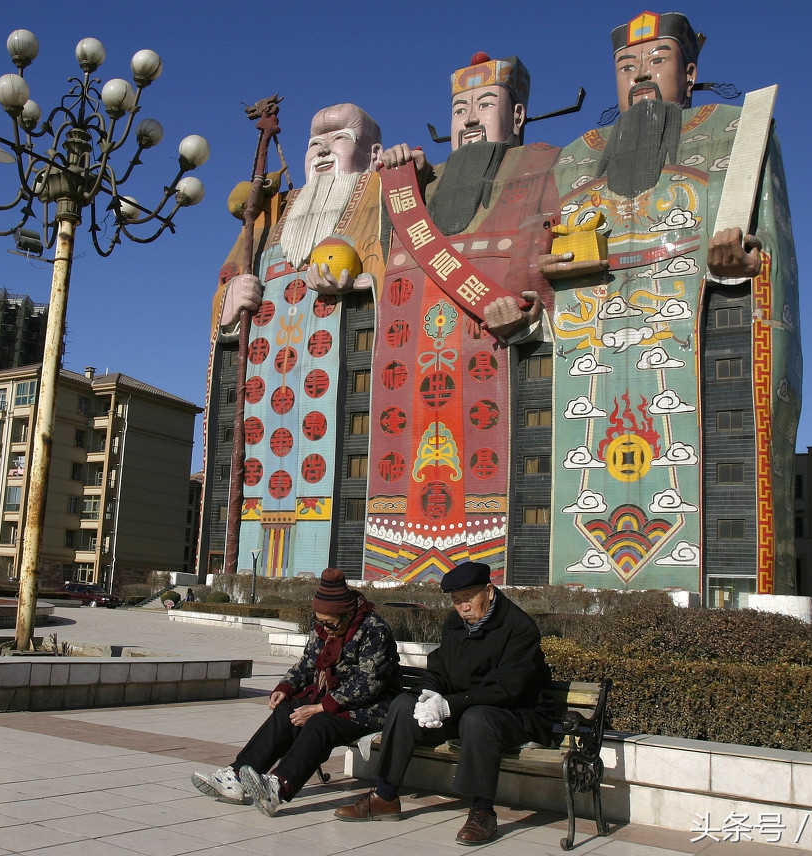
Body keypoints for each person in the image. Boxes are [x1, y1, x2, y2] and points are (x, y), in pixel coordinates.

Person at [545, 10, 799, 592]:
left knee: (707, 473)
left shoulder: (737, 127)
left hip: (697, 327)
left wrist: (748, 261)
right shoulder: (577, 154)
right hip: (595, 337)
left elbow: (770, 241)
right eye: (626, 65)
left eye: (656, 60)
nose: (640, 74)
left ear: (687, 74)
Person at [355, 55, 565, 585]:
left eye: (485, 105)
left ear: (517, 116)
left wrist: (525, 303)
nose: (470, 119)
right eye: (459, 109)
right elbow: (360, 254)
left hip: (490, 357)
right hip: (411, 352)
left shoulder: (544, 163)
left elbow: (546, 241)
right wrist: (401, 178)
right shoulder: (418, 181)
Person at [204, 104, 385, 576]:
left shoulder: (383, 194)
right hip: (264, 391)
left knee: (332, 484)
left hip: (336, 383)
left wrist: (362, 283)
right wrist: (229, 303)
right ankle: (245, 573)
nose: (323, 149)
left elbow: (406, 269)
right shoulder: (273, 215)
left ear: (372, 153)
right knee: (252, 487)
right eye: (313, 142)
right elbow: (227, 285)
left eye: (339, 138)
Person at [333, 560, 553, 844]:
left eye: (468, 598)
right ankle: (385, 796)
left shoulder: (519, 627)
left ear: (488, 591)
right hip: (464, 707)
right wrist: (430, 696)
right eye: (456, 600)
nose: (462, 607)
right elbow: (439, 670)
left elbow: (508, 688)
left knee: (478, 718)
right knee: (403, 705)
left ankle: (482, 811)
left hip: (515, 714)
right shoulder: (455, 625)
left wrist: (452, 705)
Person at [191, 567, 401, 816]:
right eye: (320, 622)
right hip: (334, 700)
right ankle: (236, 777)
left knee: (320, 723)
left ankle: (278, 787)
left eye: (330, 624)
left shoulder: (374, 629)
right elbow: (307, 663)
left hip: (372, 707)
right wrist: (285, 687)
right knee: (286, 711)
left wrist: (322, 706)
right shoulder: (324, 628)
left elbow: (370, 683)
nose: (325, 629)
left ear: (347, 613)